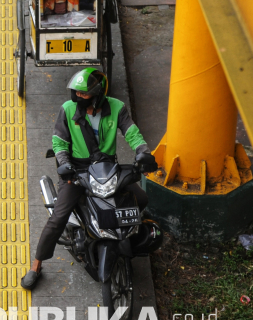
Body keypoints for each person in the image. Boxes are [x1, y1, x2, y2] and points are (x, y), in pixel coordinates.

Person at [21, 68, 157, 290]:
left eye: (84, 94)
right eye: (76, 93)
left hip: (107, 168)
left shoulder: (117, 108)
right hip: (77, 170)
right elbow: (59, 142)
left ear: (99, 94)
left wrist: (143, 152)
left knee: (140, 199)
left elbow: (132, 133)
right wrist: (64, 163)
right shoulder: (67, 110)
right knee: (58, 218)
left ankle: (125, 238)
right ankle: (36, 265)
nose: (78, 97)